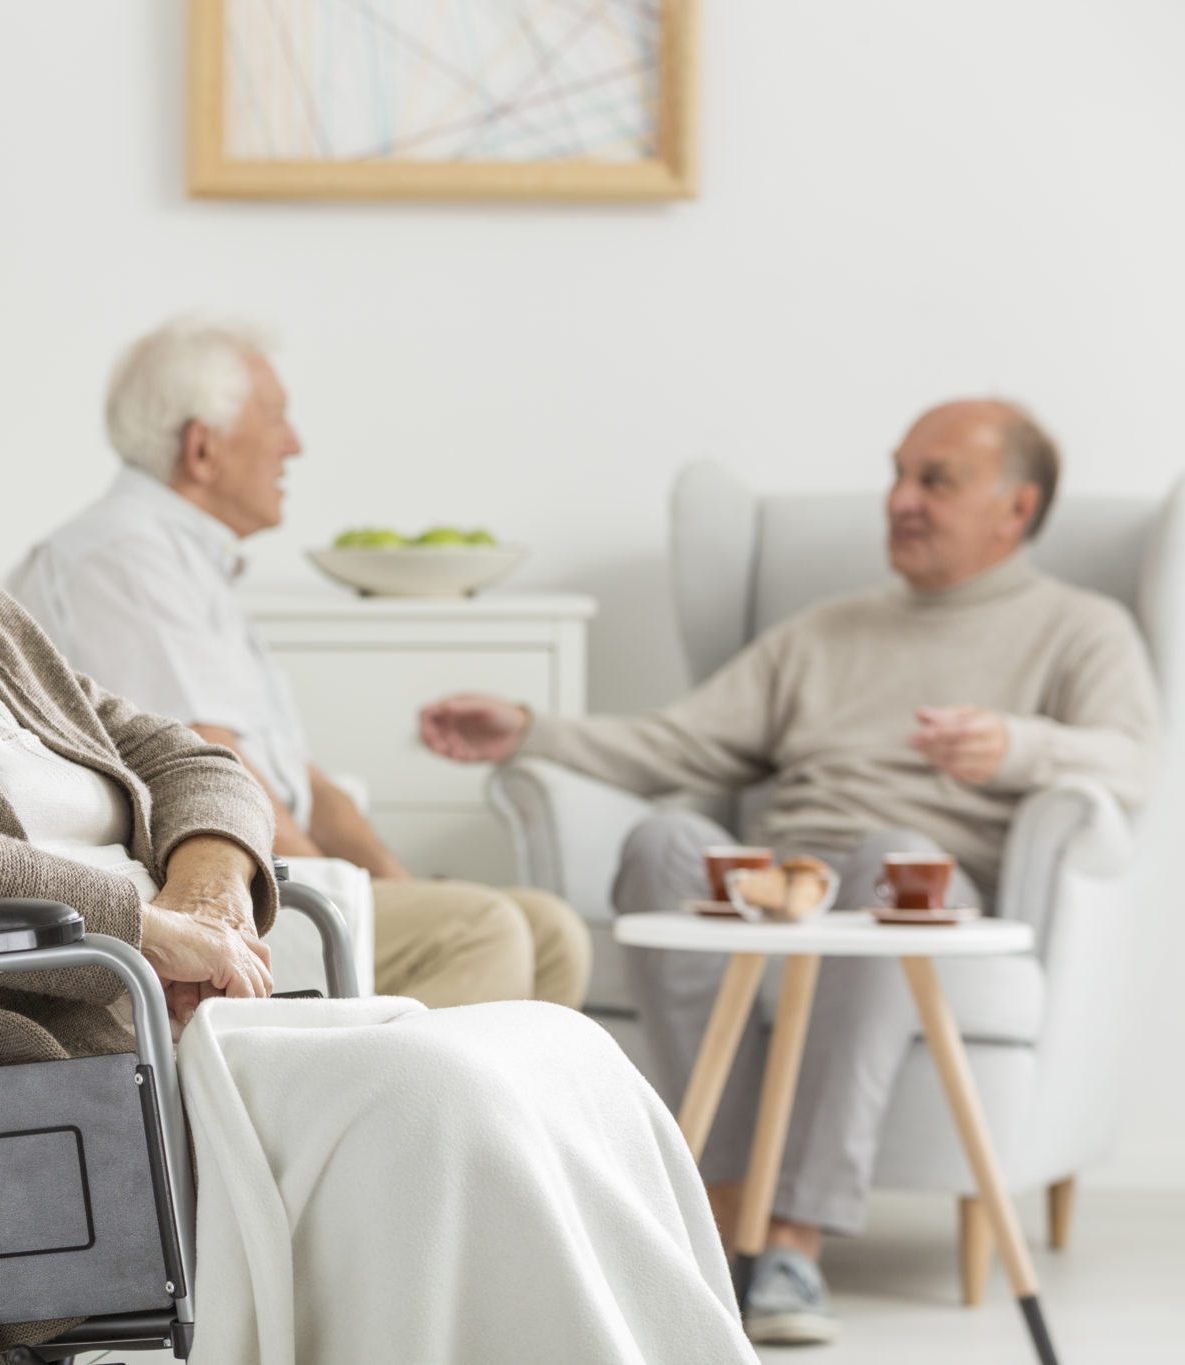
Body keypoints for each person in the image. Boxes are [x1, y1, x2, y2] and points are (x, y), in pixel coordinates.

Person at [0, 159, 756, 1362]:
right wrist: (131, 921)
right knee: (439, 1107)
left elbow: (181, 752)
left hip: (129, 1023)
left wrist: (207, 902)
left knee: (560, 1057)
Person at [419, 399, 1163, 1344]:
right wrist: (531, 730)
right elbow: (679, 742)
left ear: (1018, 508)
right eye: (898, 474)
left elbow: (1132, 764)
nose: (900, 500)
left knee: (889, 862)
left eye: (935, 480)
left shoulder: (1080, 630)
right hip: (784, 869)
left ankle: (796, 1239)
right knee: (662, 845)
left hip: (917, 879)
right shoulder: (828, 629)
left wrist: (1017, 746)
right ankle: (727, 1208)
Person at [9, 319, 591, 1010]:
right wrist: (334, 898)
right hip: (202, 903)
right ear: (202, 449)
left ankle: (501, 1120)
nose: (296, 443)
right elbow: (212, 765)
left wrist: (393, 889)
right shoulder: (121, 560)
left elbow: (303, 785)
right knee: (482, 930)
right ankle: (394, 1113)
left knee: (553, 931)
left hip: (274, 869)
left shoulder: (184, 561)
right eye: (277, 419)